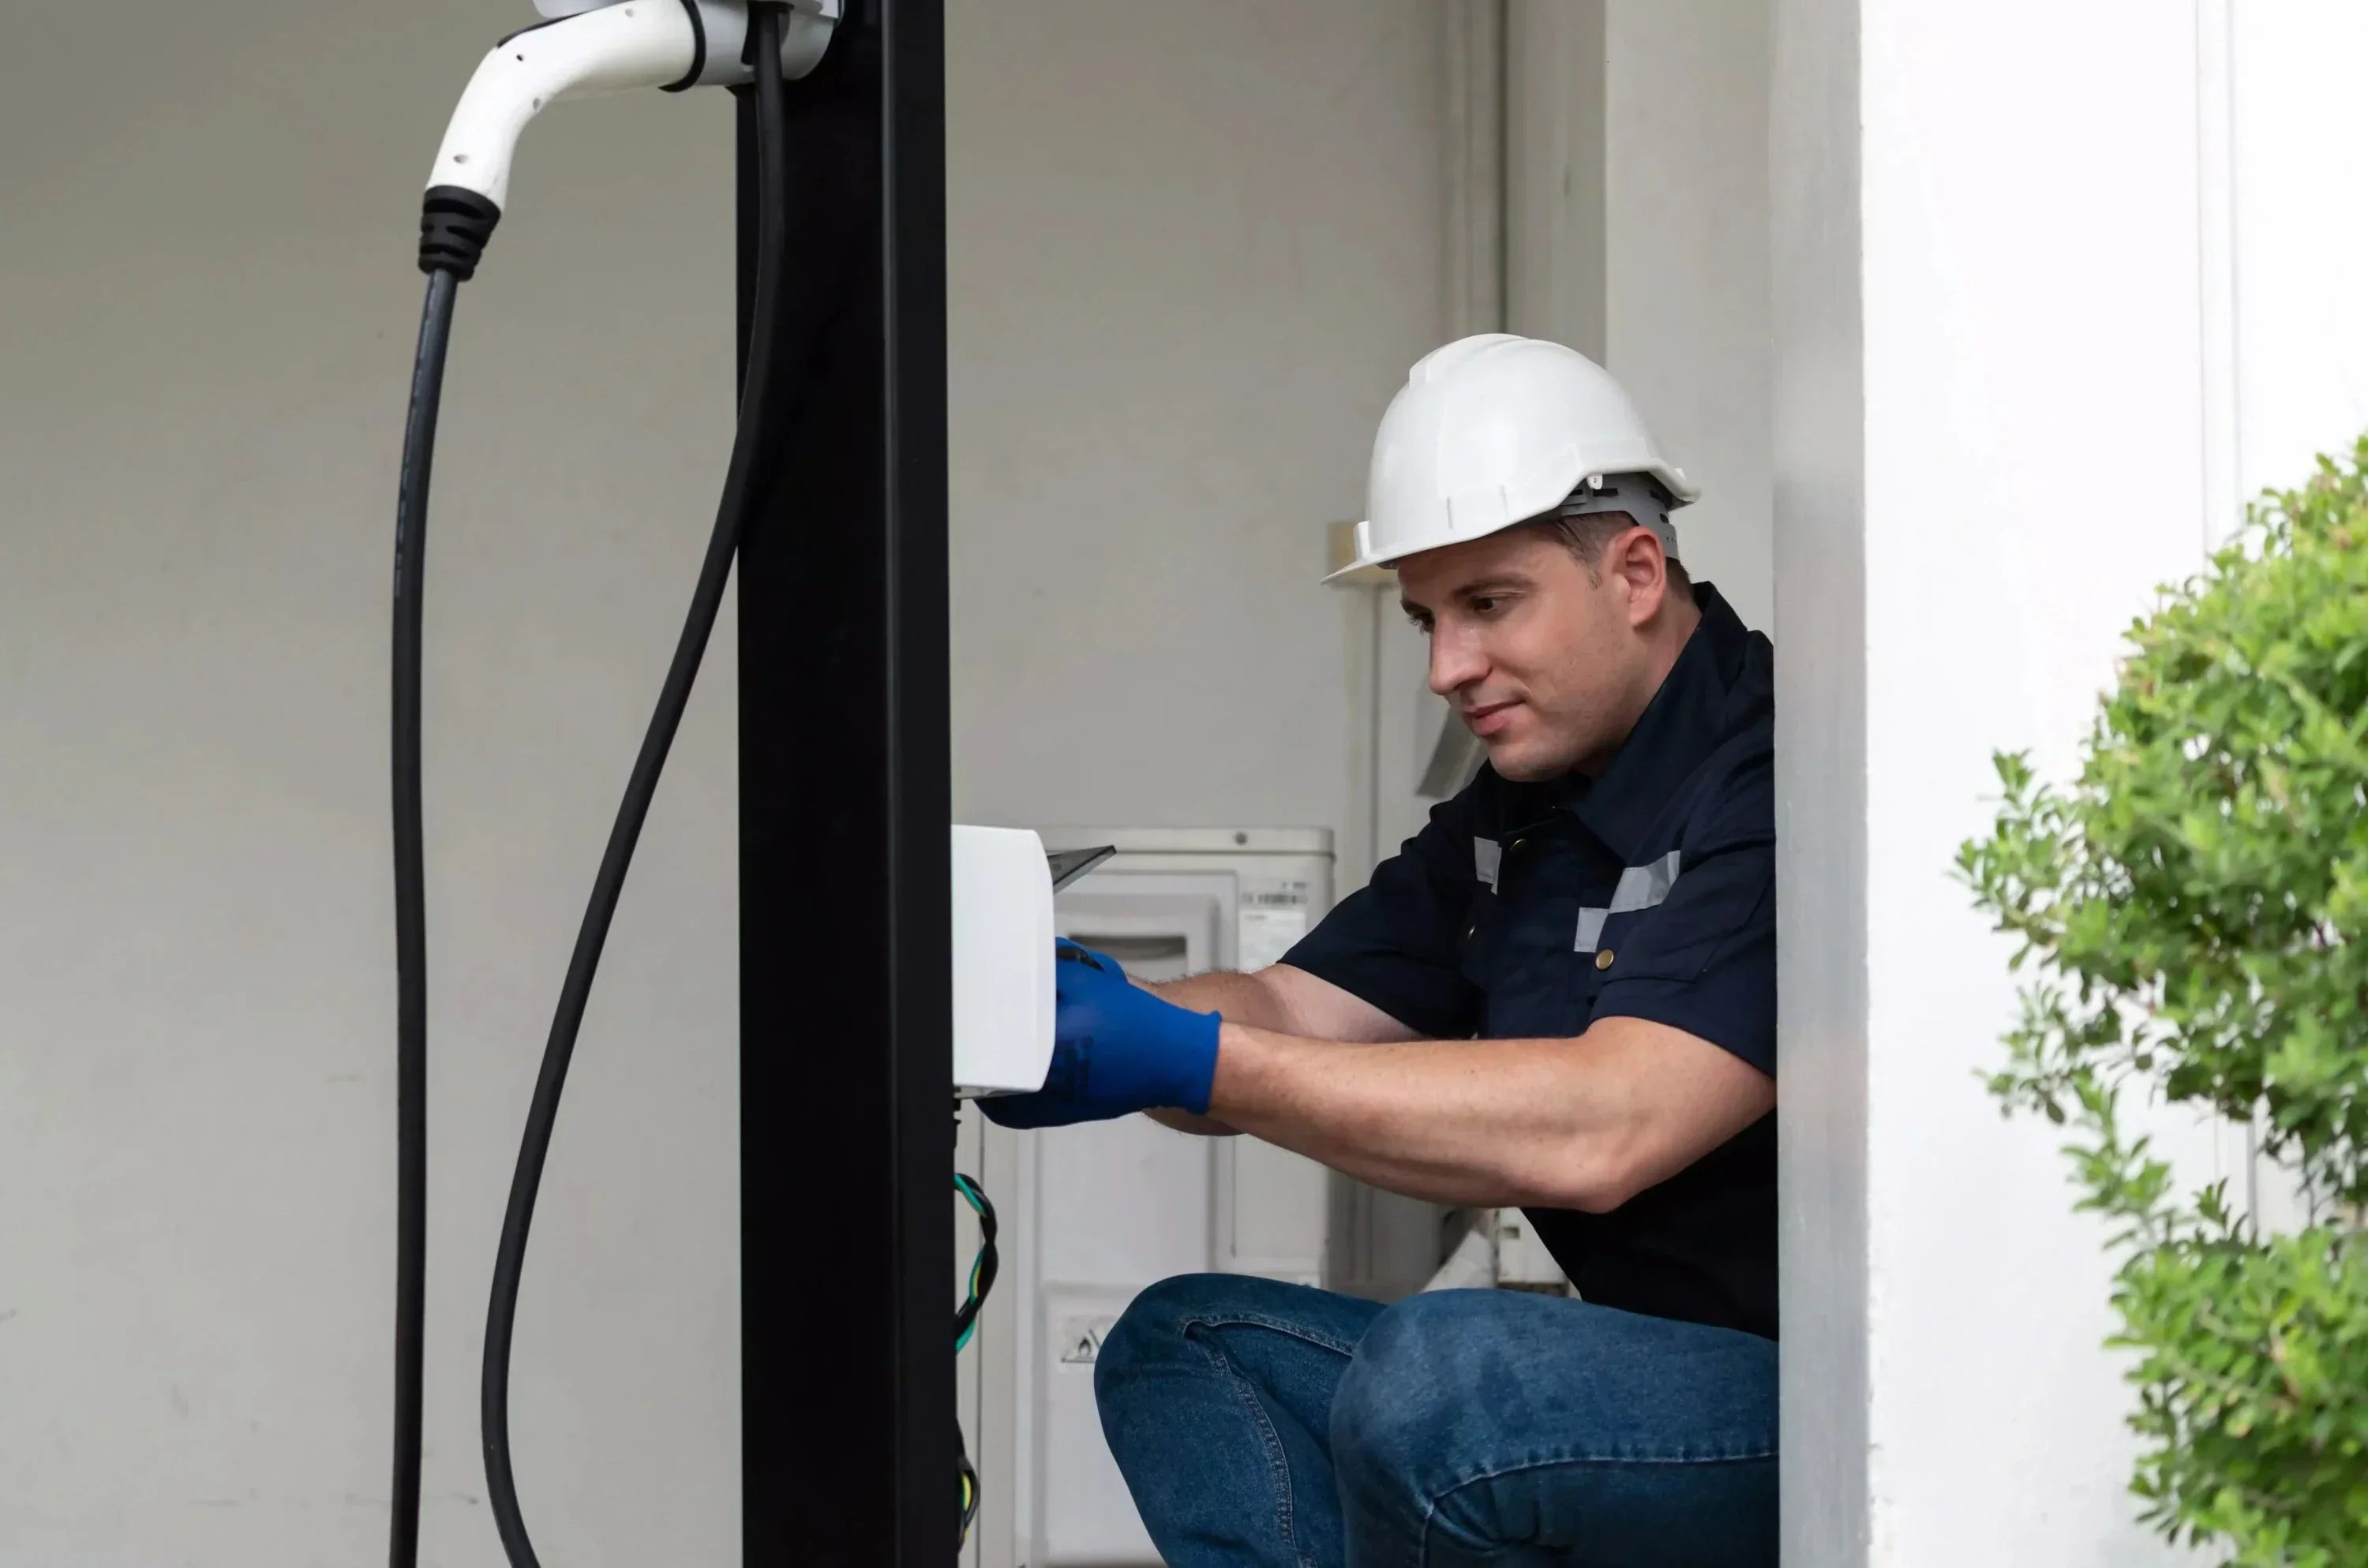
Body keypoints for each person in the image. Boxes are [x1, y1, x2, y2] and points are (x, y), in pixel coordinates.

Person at [985, 333, 1778, 1567]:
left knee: (1446, 1379)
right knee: (1186, 1352)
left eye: (1487, 605)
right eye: (1424, 616)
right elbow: (1290, 1010)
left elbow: (1611, 1127)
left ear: (1633, 572)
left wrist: (1187, 1059)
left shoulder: (1776, 774)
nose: (1445, 668)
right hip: (1644, 1379)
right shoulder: (1525, 809)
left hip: (1811, 1409)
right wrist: (1074, 1018)